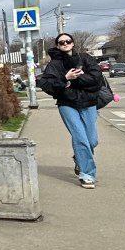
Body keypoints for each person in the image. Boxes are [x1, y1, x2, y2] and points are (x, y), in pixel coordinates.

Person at [38, 33, 103, 188]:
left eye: (68, 41)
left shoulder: (85, 58)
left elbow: (97, 79)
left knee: (92, 140)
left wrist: (77, 78)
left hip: (89, 102)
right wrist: (65, 78)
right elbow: (46, 85)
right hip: (67, 104)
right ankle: (87, 174)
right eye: (61, 42)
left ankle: (79, 158)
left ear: (73, 43)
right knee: (80, 137)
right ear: (58, 46)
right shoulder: (54, 65)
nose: (65, 43)